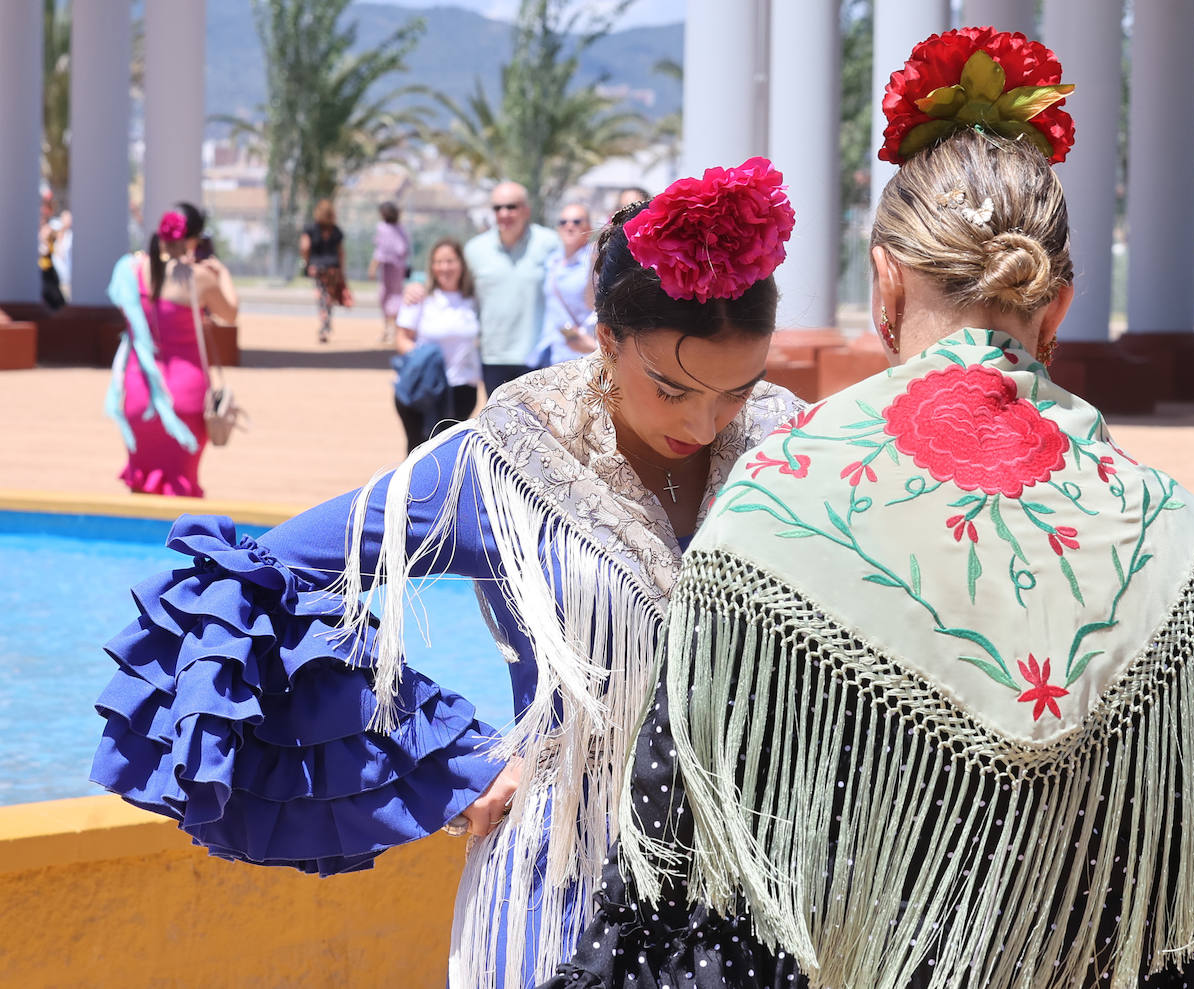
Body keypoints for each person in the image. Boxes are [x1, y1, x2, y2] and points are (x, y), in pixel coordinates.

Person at [546, 27, 1194, 989]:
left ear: (883, 285)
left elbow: (684, 905)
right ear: (1059, 308)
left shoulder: (769, 527)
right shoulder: (1188, 553)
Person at [89, 157, 801, 989]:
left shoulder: (787, 445)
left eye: (736, 389)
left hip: (754, 901)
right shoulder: (504, 460)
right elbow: (249, 580)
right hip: (558, 898)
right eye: (674, 388)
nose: (707, 420)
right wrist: (442, 758)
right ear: (607, 338)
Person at [104, 202, 239, 497]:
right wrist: (222, 272)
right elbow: (230, 313)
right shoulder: (198, 277)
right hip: (185, 394)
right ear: (192, 239)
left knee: (141, 483)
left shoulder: (134, 269)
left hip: (139, 391)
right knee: (181, 487)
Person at [464, 181, 560, 393]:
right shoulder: (474, 250)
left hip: (539, 357)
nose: (504, 213)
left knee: (539, 425)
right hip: (493, 357)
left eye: (511, 207)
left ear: (526, 210)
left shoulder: (550, 243)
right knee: (498, 424)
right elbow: (454, 289)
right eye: (498, 208)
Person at [393, 238, 481, 453]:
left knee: (448, 455)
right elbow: (401, 338)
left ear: (461, 264)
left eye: (450, 261)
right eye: (438, 262)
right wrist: (424, 359)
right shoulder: (421, 297)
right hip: (424, 389)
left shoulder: (473, 299)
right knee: (418, 452)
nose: (444, 267)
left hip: (461, 388)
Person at [526, 202, 596, 368]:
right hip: (549, 350)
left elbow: (595, 303)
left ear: (589, 227)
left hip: (579, 353)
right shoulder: (552, 260)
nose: (569, 226)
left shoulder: (593, 262)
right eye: (563, 222)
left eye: (577, 222)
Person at [300, 198, 350, 343]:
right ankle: (326, 324)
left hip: (317, 268)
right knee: (328, 297)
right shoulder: (336, 231)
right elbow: (341, 252)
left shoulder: (310, 228)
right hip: (333, 268)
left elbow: (304, 247)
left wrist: (306, 261)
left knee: (322, 296)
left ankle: (324, 326)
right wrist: (342, 270)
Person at [369, 200, 410, 344]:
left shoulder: (383, 228)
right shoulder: (401, 229)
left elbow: (380, 251)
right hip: (399, 268)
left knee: (387, 296)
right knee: (395, 296)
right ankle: (391, 330)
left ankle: (390, 329)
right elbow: (405, 250)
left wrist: (373, 267)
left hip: (389, 268)